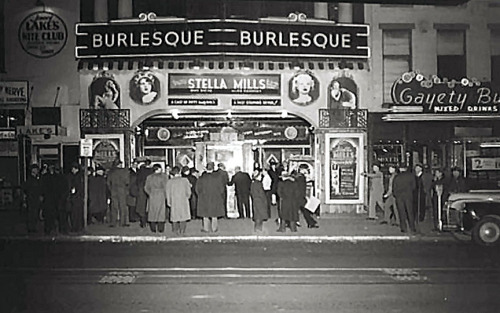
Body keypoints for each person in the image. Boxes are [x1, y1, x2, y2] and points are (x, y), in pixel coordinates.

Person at [196, 162, 225, 233]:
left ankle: (206, 228)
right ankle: (214, 228)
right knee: (214, 214)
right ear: (213, 168)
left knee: (205, 214)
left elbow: (197, 189)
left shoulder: (202, 178)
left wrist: (200, 195)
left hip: (204, 198)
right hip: (215, 198)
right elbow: (221, 189)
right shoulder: (217, 177)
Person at [166, 166, 192, 235]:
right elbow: (188, 192)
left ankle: (175, 230)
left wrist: (169, 201)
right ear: (180, 172)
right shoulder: (185, 180)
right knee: (183, 216)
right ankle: (182, 230)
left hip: (174, 201)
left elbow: (167, 193)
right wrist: (187, 197)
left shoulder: (170, 182)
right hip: (183, 200)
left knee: (175, 216)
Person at [144, 164, 168, 233]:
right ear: (158, 169)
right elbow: (166, 187)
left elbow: (146, 187)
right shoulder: (163, 177)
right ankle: (161, 228)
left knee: (152, 211)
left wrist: (150, 193)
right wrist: (165, 195)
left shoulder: (149, 177)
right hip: (161, 195)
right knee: (161, 212)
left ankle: (153, 228)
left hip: (152, 195)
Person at [392, 166, 417, 234]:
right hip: (408, 196)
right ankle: (412, 227)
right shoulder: (411, 176)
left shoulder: (397, 177)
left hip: (399, 197)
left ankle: (403, 228)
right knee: (410, 212)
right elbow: (414, 186)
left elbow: (394, 187)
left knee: (401, 212)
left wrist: (396, 194)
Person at [106, 160, 130, 227]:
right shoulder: (124, 172)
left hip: (113, 190)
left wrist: (111, 189)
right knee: (122, 206)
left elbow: (108, 182)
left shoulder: (111, 172)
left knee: (114, 207)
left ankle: (113, 222)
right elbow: (127, 182)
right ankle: (123, 222)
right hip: (122, 190)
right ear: (119, 164)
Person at [22, 164, 42, 233]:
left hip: (34, 199)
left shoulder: (35, 179)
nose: (37, 171)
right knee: (31, 214)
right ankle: (31, 228)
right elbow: (26, 190)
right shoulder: (30, 180)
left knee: (34, 214)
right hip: (31, 199)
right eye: (36, 169)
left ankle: (32, 227)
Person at [66, 162, 85, 233]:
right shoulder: (80, 176)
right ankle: (78, 227)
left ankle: (75, 227)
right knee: (78, 213)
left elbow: (73, 187)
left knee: (74, 214)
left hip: (75, 198)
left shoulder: (74, 177)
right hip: (78, 198)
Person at [135, 159, 155, 228]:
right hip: (151, 190)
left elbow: (137, 181)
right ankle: (150, 221)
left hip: (141, 190)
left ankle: (143, 222)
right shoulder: (152, 171)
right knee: (150, 206)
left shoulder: (140, 171)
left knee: (142, 207)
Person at [250, 168, 269, 233]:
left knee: (258, 214)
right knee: (259, 215)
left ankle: (258, 228)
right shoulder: (258, 184)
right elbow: (261, 193)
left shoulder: (253, 183)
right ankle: (258, 228)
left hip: (256, 200)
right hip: (259, 200)